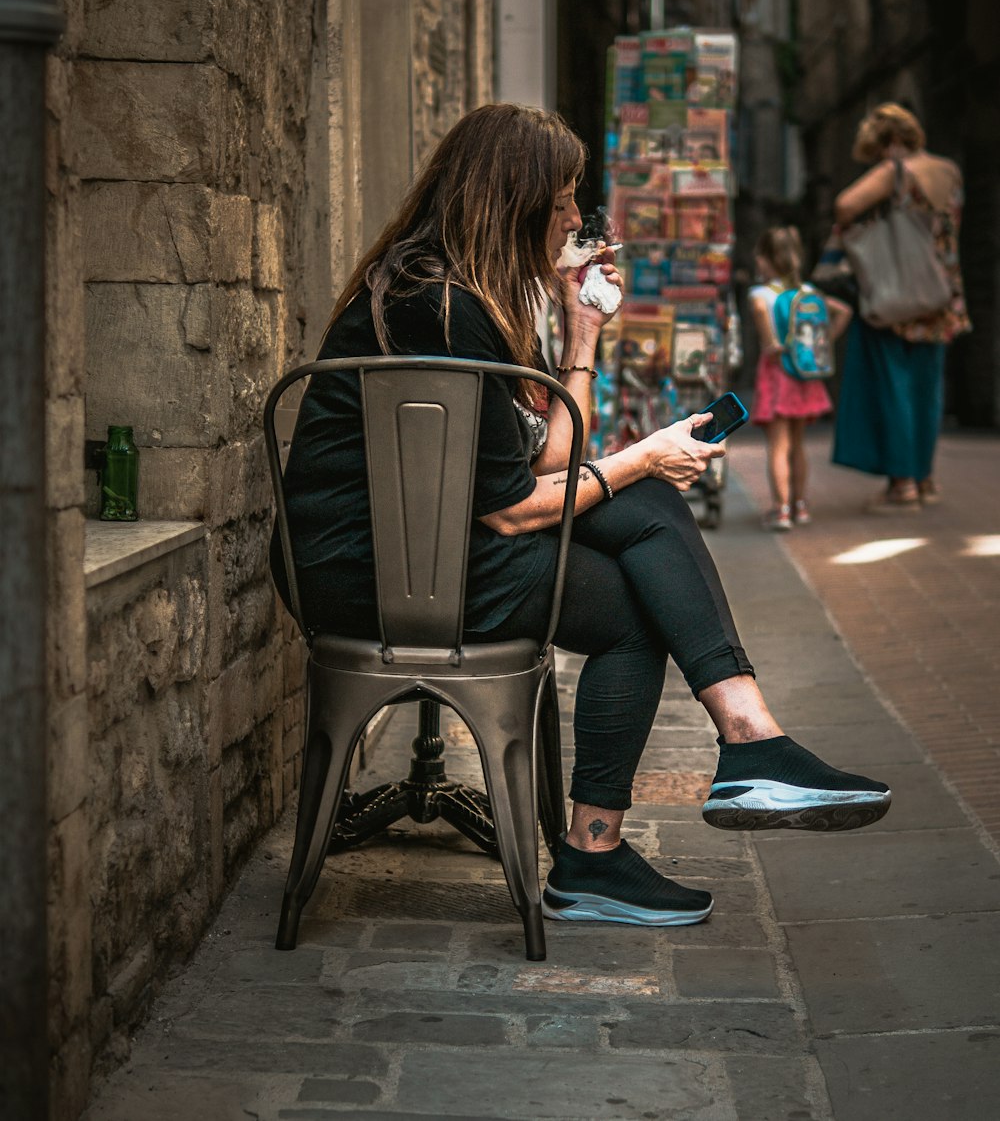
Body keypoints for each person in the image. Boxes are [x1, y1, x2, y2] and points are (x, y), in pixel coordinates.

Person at [274, 104, 890, 929]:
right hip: (372, 573)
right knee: (642, 515)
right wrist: (643, 457)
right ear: (515, 201)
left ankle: (678, 793)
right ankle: (720, 760)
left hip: (418, 552)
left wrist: (583, 328)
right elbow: (512, 510)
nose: (574, 218)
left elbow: (548, 461)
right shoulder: (444, 310)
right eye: (563, 200)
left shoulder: (458, 294)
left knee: (639, 564)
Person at [830, 103, 970, 511]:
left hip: (895, 295)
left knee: (893, 386)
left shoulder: (896, 170)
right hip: (939, 293)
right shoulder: (950, 171)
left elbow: (844, 206)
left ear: (889, 143)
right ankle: (924, 479)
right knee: (927, 389)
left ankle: (901, 486)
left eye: (875, 151)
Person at [748, 226, 851, 530]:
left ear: (767, 259)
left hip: (778, 376)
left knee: (778, 447)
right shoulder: (808, 292)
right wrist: (823, 343)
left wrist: (774, 343)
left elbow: (769, 346)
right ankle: (801, 506)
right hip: (805, 377)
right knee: (798, 445)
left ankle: (780, 510)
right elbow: (844, 311)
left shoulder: (760, 296)